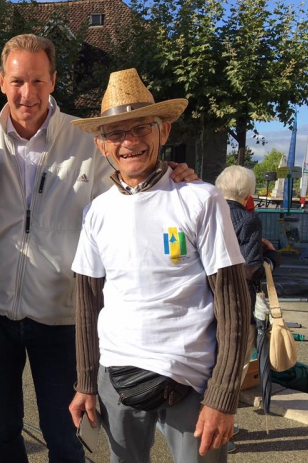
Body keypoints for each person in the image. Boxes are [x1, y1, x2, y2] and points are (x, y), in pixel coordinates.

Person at [0, 34, 198, 462]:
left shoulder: (89, 142)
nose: (26, 93)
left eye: (37, 81)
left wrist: (172, 172)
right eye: (16, 81)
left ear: (53, 81)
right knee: (4, 429)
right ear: (1, 82)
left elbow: (134, 177)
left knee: (63, 433)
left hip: (61, 316)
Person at [68, 68, 251, 463]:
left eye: (141, 128)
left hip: (191, 381)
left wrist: (224, 396)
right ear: (101, 145)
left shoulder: (202, 199)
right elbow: (86, 302)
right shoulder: (97, 211)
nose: (129, 141)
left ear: (163, 132)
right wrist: (85, 382)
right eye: (116, 133)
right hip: (116, 378)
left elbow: (235, 306)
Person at [215, 165, 282, 452]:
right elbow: (251, 269)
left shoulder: (210, 213)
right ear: (248, 192)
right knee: (235, 366)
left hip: (206, 301)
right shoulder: (248, 219)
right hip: (239, 304)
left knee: (211, 366)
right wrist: (270, 256)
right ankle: (221, 436)